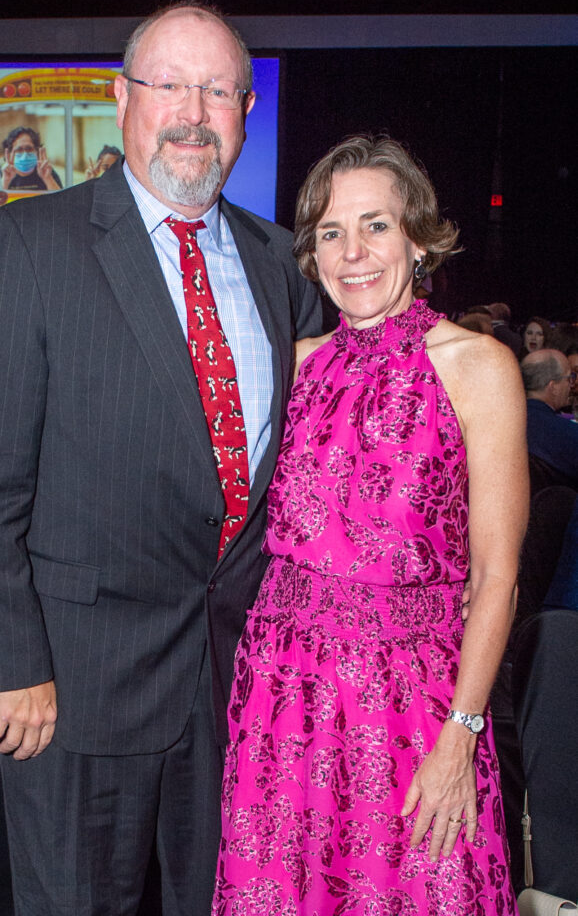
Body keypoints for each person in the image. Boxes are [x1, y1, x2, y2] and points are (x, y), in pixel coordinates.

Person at [0, 1, 321, 916]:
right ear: (121, 100)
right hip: (73, 687)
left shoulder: (278, 262)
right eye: (171, 85)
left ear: (247, 111)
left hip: (235, 685)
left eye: (219, 90)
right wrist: (9, 663)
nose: (194, 111)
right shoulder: (32, 242)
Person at [212, 136, 527, 914]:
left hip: (416, 706)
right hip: (282, 699)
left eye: (376, 225)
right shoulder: (291, 367)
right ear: (311, 256)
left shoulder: (476, 366)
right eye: (330, 233)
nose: (353, 252)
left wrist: (462, 731)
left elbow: (497, 577)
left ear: (418, 239)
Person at [521, 348, 578, 484]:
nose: (572, 385)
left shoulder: (504, 424)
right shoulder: (568, 434)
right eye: (569, 378)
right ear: (553, 387)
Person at [0, 126, 63, 192]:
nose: (25, 155)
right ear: (9, 153)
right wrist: (5, 181)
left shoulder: (46, 171)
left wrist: (47, 178)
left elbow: (61, 200)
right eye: (19, 150)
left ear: (37, 151)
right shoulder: (3, 173)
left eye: (29, 149)